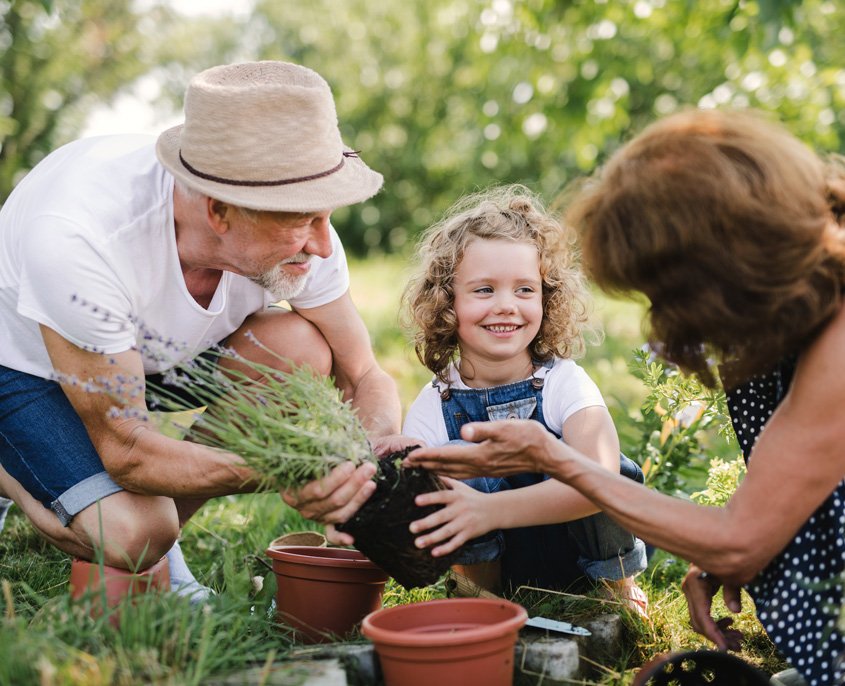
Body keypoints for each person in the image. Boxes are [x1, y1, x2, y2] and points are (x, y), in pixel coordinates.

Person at [404, 109, 845, 686]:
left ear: (726, 258)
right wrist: (719, 548)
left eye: (664, 291)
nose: (663, 318)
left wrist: (553, 457)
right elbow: (786, 494)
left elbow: (742, 541)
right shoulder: (798, 311)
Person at [0, 61, 409, 599]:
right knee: (132, 532)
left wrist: (371, 454)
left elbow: (364, 372)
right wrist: (290, 468)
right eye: (303, 219)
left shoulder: (299, 234)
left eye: (325, 216)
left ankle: (163, 555)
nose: (324, 245)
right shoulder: (82, 239)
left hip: (145, 355)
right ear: (219, 211)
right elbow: (130, 450)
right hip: (27, 363)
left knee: (299, 348)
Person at [400, 185, 648, 613]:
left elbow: (602, 480)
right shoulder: (433, 402)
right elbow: (412, 500)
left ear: (546, 298)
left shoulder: (562, 382)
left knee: (610, 468)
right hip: (497, 567)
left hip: (577, 555)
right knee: (446, 466)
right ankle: (482, 600)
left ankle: (617, 591)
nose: (506, 306)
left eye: (524, 290)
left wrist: (491, 510)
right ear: (448, 301)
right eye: (483, 290)